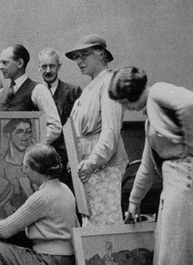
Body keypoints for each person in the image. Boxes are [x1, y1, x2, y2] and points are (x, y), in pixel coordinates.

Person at [108, 66, 193, 265]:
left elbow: (190, 102)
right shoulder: (151, 119)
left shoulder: (157, 91)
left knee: (173, 256)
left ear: (131, 92)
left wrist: (192, 142)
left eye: (125, 103)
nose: (126, 108)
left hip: (188, 178)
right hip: (181, 181)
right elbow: (147, 167)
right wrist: (134, 202)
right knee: (171, 253)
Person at [0, 143, 79, 265]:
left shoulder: (42, 196)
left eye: (26, 167)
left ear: (36, 169)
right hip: (68, 258)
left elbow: (5, 230)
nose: (24, 172)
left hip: (49, 260)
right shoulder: (65, 189)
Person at [65, 34, 128, 226]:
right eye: (76, 57)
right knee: (91, 223)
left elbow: (110, 131)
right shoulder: (91, 86)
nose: (79, 61)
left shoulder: (109, 83)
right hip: (88, 167)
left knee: (104, 224)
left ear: (101, 53)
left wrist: (92, 162)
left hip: (103, 165)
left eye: (84, 55)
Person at [0, 44, 62, 145]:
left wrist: (33, 145)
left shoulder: (38, 90)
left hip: (31, 157)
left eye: (5, 63)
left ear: (20, 63)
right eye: (0, 63)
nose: (0, 67)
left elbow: (55, 126)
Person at [37, 47, 81, 191]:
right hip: (41, 161)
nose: (48, 70)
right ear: (38, 68)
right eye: (44, 66)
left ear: (59, 66)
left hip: (66, 159)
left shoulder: (73, 91)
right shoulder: (34, 94)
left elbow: (78, 127)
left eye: (52, 66)